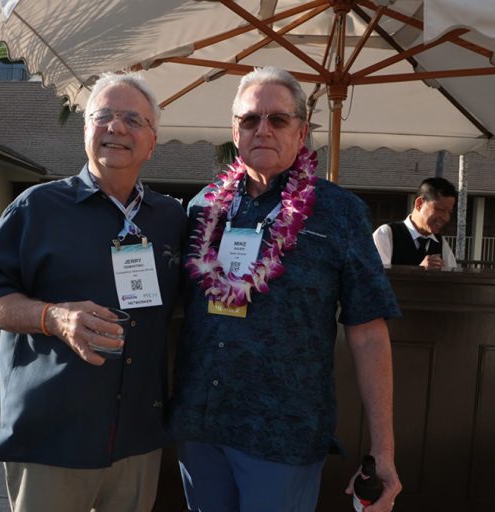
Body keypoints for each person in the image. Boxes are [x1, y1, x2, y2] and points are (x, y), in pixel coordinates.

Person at [169, 66, 402, 512]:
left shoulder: (340, 212)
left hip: (282, 436)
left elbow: (369, 333)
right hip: (201, 427)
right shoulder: (201, 209)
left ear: (302, 131)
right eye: (250, 119)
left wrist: (384, 453)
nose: (263, 130)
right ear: (233, 131)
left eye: (278, 119)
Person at [0, 72, 187, 512]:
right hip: (52, 434)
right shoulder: (36, 207)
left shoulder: (171, 219)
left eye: (132, 119)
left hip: (137, 438)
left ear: (152, 141)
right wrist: (53, 317)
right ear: (86, 129)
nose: (116, 128)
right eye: (102, 116)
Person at [372, 177, 458, 270]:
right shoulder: (386, 234)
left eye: (449, 212)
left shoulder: (441, 243)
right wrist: (419, 270)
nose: (446, 218)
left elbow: (453, 280)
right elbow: (377, 279)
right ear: (419, 203)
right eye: (441, 210)